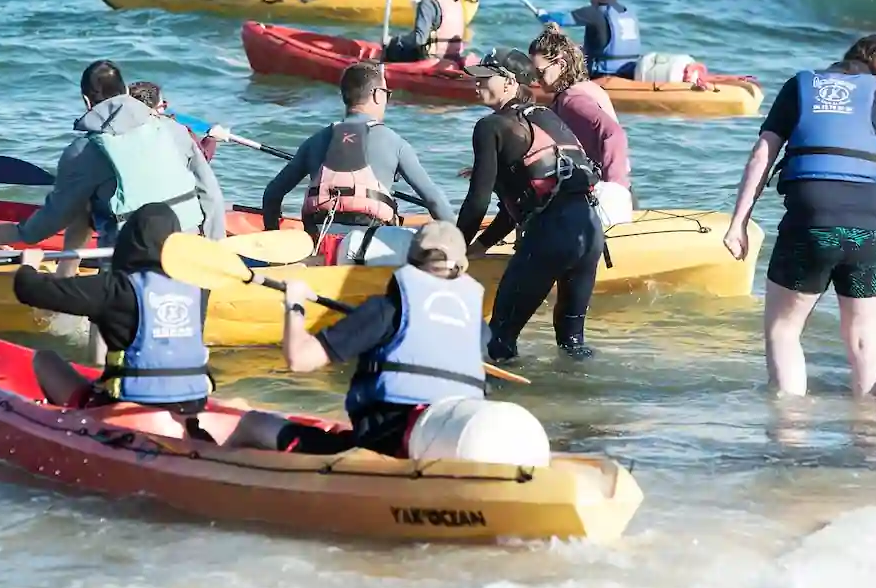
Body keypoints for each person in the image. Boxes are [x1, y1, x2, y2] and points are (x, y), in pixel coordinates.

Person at [722, 34, 876, 398]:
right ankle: (871, 441)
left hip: (811, 221)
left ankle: (789, 437)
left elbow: (763, 154)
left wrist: (738, 222)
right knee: (866, 342)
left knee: (784, 330)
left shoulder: (799, 86)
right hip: (870, 229)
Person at [224, 221, 488, 456]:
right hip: (455, 435)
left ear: (411, 261)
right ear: (461, 268)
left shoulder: (385, 311)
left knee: (253, 423)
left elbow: (299, 359)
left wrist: (294, 304)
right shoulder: (476, 324)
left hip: (387, 446)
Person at [12, 203, 215, 433]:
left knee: (45, 360)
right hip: (191, 404)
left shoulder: (115, 289)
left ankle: (72, 429)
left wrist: (28, 266)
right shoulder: (198, 289)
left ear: (129, 241)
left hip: (127, 410)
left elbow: (29, 290)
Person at [457, 49, 604, 362]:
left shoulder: (490, 126)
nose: (477, 83)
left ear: (510, 83)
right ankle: (582, 404)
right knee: (572, 343)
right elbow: (528, 199)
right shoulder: (546, 117)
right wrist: (482, 244)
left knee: (499, 343)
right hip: (590, 233)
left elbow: (476, 201)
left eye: (486, 77)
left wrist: (453, 250)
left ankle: (501, 403)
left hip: (550, 236)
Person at [0, 60, 225, 250]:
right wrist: (214, 249)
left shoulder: (84, 151)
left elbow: (57, 215)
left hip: (133, 255)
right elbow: (211, 193)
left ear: (86, 102)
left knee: (83, 204)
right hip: (190, 244)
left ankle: (68, 280)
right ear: (125, 91)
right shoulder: (172, 128)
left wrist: (18, 232)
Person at [261, 60, 454, 236]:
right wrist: (458, 241)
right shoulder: (395, 143)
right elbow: (435, 201)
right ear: (378, 95)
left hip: (319, 237)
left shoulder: (314, 141)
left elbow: (272, 194)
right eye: (387, 94)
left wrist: (273, 237)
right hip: (373, 241)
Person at [528, 24, 635, 226]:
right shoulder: (587, 87)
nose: (537, 79)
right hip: (619, 191)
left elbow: (614, 134)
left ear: (560, 64)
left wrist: (614, 189)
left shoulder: (572, 99)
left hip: (608, 197)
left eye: (540, 72)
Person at [538, 0, 642, 78]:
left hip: (602, 75)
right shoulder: (628, 13)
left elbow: (560, 20)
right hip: (630, 73)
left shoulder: (594, 12)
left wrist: (543, 15)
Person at [382, 0, 465, 63]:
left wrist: (392, 40)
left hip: (432, 58)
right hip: (453, 56)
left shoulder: (428, 3)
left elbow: (419, 39)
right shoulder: (453, 0)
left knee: (392, 48)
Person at [128, 80, 219, 163]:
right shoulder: (176, 130)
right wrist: (211, 138)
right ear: (158, 109)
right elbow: (200, 161)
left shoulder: (119, 129)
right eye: (163, 105)